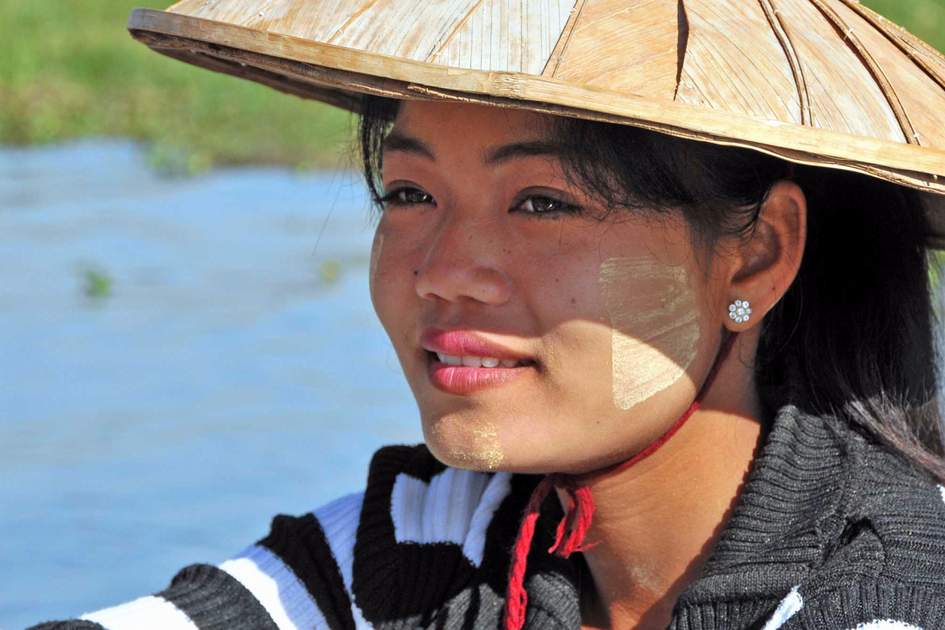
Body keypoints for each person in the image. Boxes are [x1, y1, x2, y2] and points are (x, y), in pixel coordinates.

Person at [31, 1, 945, 629]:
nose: (443, 274)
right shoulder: (437, 533)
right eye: (409, 191)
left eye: (542, 202)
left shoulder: (896, 588)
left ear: (757, 251)